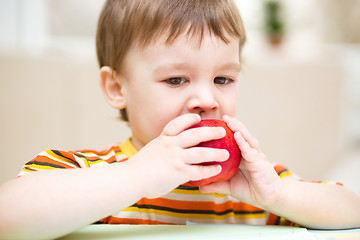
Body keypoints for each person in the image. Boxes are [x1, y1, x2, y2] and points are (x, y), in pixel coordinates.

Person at [0, 0, 359, 239]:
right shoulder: (88, 174)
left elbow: (352, 211)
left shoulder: (252, 188)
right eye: (176, 79)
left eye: (223, 79)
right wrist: (136, 175)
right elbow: (8, 216)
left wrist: (278, 195)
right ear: (116, 87)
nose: (207, 99)